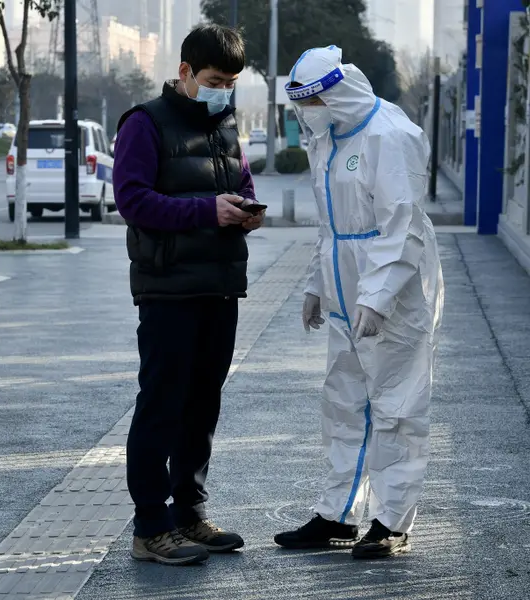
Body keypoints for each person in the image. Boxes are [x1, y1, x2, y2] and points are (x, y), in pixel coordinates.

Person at [273, 46, 444, 559]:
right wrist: (316, 286)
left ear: (335, 92)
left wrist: (378, 296)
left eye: (313, 101)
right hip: (345, 286)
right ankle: (337, 514)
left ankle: (391, 520)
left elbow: (402, 225)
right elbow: (331, 227)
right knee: (343, 403)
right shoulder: (326, 138)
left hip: (395, 288)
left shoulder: (390, 134)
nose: (307, 112)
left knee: (397, 404)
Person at [112, 24, 264, 566]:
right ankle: (150, 525)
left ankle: (190, 513)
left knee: (202, 404)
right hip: (168, 289)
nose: (224, 89)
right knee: (161, 404)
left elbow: (240, 185)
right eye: (214, 79)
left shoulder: (225, 124)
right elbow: (132, 200)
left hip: (220, 286)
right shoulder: (144, 124)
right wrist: (207, 210)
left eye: (231, 82)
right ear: (184, 72)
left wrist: (245, 211)